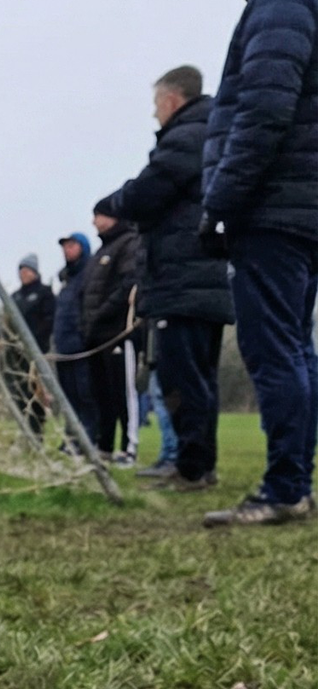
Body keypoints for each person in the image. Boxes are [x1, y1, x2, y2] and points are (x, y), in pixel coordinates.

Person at [198, 0, 318, 529]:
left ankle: (282, 490)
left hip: (274, 208)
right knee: (296, 348)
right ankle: (293, 483)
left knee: (275, 350)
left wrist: (221, 201)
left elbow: (263, 111)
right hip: (299, 207)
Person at [93, 66, 230, 491]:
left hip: (182, 283)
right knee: (199, 378)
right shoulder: (210, 132)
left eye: (156, 104)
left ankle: (190, 467)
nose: (155, 114)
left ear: (172, 99)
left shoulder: (186, 138)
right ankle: (199, 464)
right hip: (201, 282)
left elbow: (144, 193)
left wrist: (113, 201)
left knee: (180, 378)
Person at [82, 214, 141, 462]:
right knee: (102, 394)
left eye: (99, 215)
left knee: (123, 392)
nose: (94, 221)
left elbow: (128, 284)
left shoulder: (129, 243)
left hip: (118, 332)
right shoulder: (100, 253)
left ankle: (129, 447)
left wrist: (104, 312)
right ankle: (104, 446)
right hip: (96, 335)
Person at [50, 233, 97, 445]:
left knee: (85, 394)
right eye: (65, 246)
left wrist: (83, 335)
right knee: (68, 396)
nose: (66, 250)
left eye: (71, 245)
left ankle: (87, 438)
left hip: (82, 347)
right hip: (63, 348)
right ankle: (71, 437)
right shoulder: (65, 280)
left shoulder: (89, 274)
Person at [7, 253, 56, 437]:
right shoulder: (15, 297)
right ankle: (24, 431)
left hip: (37, 352)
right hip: (16, 353)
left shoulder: (44, 293)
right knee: (20, 393)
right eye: (21, 270)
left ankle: (37, 432)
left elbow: (49, 320)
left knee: (36, 393)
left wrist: (34, 340)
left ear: (35, 272)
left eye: (27, 270)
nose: (23, 274)